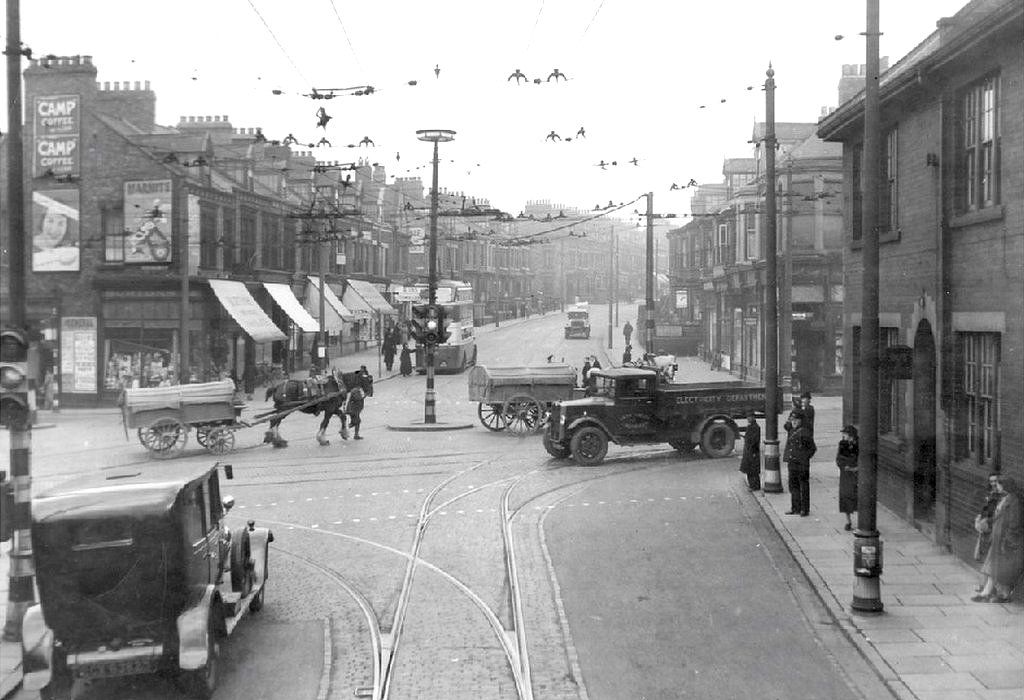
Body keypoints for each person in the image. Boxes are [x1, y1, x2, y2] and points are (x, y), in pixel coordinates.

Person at [973, 473, 1023, 603]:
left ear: (1006, 486)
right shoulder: (1006, 498)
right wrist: (986, 521)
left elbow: (1015, 522)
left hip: (1005, 540)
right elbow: (997, 516)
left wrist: (1008, 540)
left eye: (999, 484)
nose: (997, 486)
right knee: (993, 565)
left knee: (999, 566)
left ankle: (1000, 594)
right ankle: (988, 592)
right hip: (997, 538)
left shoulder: (1014, 501)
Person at [782, 411, 816, 516]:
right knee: (793, 486)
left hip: (801, 464)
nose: (794, 422)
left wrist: (804, 458)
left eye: (796, 420)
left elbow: (812, 448)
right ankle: (795, 507)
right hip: (792, 462)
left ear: (801, 420)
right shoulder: (792, 430)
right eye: (792, 419)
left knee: (803, 486)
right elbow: (786, 425)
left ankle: (804, 509)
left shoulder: (805, 432)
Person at [837, 425, 859, 531]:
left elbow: (863, 459)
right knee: (845, 496)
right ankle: (848, 521)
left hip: (857, 474)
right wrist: (843, 466)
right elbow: (838, 459)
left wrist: (856, 468)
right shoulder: (842, 444)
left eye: (845, 434)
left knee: (858, 497)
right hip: (845, 475)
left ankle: (862, 521)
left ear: (851, 436)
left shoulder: (859, 445)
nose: (843, 436)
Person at [739, 412, 761, 490]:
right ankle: (752, 485)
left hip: (752, 451)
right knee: (749, 469)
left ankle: (755, 486)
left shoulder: (755, 427)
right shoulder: (751, 426)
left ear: (753, 418)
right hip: (749, 451)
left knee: (752, 470)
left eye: (750, 417)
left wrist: (752, 451)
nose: (748, 419)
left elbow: (755, 440)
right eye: (747, 417)